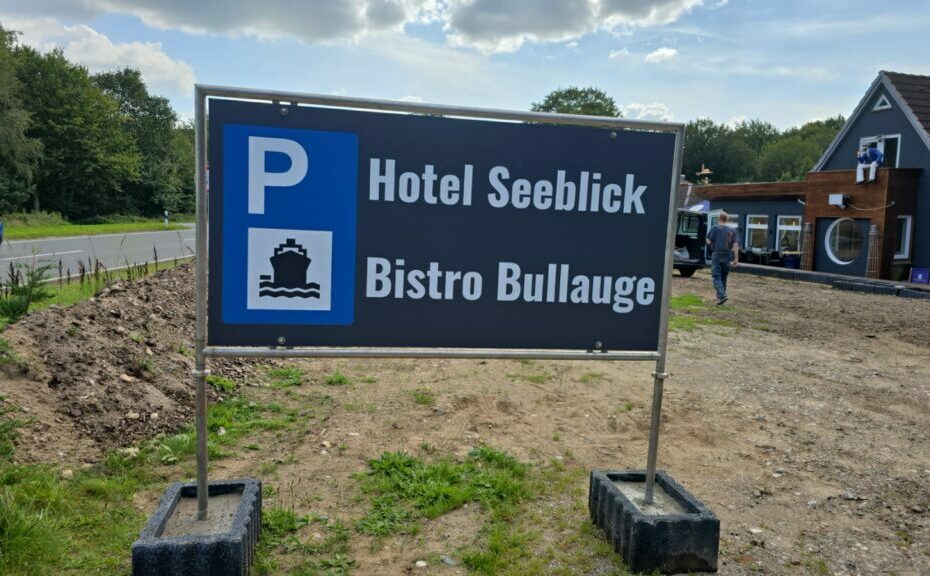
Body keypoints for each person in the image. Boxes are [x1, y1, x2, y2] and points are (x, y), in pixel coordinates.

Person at [705, 212, 739, 305]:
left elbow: (708, 241)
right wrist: (736, 258)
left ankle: (722, 295)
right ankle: (722, 297)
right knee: (724, 276)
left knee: (716, 276)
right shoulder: (732, 230)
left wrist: (707, 240)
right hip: (727, 255)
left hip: (717, 254)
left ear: (718, 218)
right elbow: (735, 245)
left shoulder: (715, 228)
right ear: (727, 219)